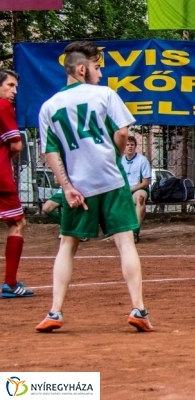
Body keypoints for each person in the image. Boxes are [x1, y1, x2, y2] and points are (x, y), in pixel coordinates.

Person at [35, 41, 153, 332]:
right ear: (80, 69)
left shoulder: (48, 107)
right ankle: (138, 308)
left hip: (78, 185)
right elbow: (123, 131)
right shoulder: (104, 94)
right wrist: (113, 156)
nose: (100, 73)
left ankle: (55, 312)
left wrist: (67, 187)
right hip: (111, 179)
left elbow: (50, 151)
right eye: (97, 67)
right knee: (125, 241)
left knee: (67, 244)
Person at [0, 69, 33, 299]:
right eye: (10, 85)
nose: (14, 91)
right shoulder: (3, 107)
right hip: (1, 179)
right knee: (18, 223)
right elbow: (16, 145)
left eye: (16, 87)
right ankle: (10, 283)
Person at [122, 136, 152, 243]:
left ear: (135, 146)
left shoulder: (142, 160)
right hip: (123, 190)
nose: (129, 147)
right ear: (124, 147)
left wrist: (130, 190)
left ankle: (135, 232)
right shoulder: (120, 161)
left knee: (140, 198)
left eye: (132, 145)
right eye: (127, 145)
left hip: (138, 189)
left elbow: (145, 183)